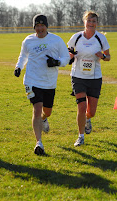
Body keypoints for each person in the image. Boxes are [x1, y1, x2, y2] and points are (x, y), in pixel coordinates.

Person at [14, 14, 70, 155]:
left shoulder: (56, 40)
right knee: (37, 109)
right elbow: (23, 56)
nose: (40, 28)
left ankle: (44, 119)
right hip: (32, 81)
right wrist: (18, 67)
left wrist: (56, 62)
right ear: (34, 27)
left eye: (42, 25)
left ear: (46, 26)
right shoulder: (28, 40)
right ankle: (39, 143)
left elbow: (66, 58)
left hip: (49, 82)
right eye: (37, 26)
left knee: (47, 111)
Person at [67, 10, 110, 147]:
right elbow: (68, 53)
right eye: (89, 21)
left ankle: (87, 119)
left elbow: (108, 57)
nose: (91, 23)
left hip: (95, 77)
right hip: (78, 76)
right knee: (81, 106)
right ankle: (80, 136)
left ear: (96, 23)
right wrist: (71, 56)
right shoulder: (76, 37)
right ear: (84, 22)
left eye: (94, 21)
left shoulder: (100, 38)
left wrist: (102, 56)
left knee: (91, 112)